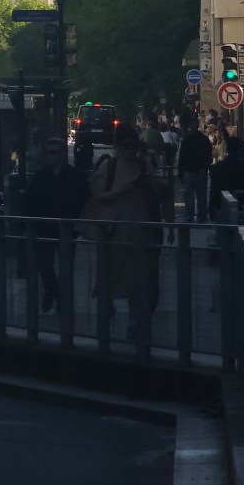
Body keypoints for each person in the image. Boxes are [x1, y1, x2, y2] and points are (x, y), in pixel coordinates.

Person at [84, 123, 173, 354]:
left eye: (133, 146)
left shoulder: (143, 165)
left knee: (139, 281)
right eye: (125, 146)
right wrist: (123, 189)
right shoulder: (109, 166)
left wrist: (150, 186)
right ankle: (107, 311)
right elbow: (98, 195)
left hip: (140, 230)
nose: (130, 151)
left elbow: (157, 194)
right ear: (118, 146)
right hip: (115, 232)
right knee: (110, 278)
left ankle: (135, 322)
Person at [24, 137, 89, 312]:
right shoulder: (41, 176)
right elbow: (30, 200)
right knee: (44, 265)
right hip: (45, 228)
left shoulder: (75, 176)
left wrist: (77, 224)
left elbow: (84, 200)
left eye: (53, 152)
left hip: (67, 229)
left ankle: (60, 300)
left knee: (66, 268)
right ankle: (53, 290)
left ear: (62, 154)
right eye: (47, 152)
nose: (49, 156)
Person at [209, 137, 244, 219]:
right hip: (240, 204)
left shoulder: (217, 167)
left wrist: (212, 207)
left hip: (222, 205)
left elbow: (214, 189)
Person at [178, 116, 213, 223]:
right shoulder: (202, 139)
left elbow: (182, 157)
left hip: (193, 170)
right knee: (199, 194)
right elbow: (208, 156)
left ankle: (192, 215)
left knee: (192, 195)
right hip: (194, 171)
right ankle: (200, 216)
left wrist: (181, 172)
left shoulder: (188, 140)